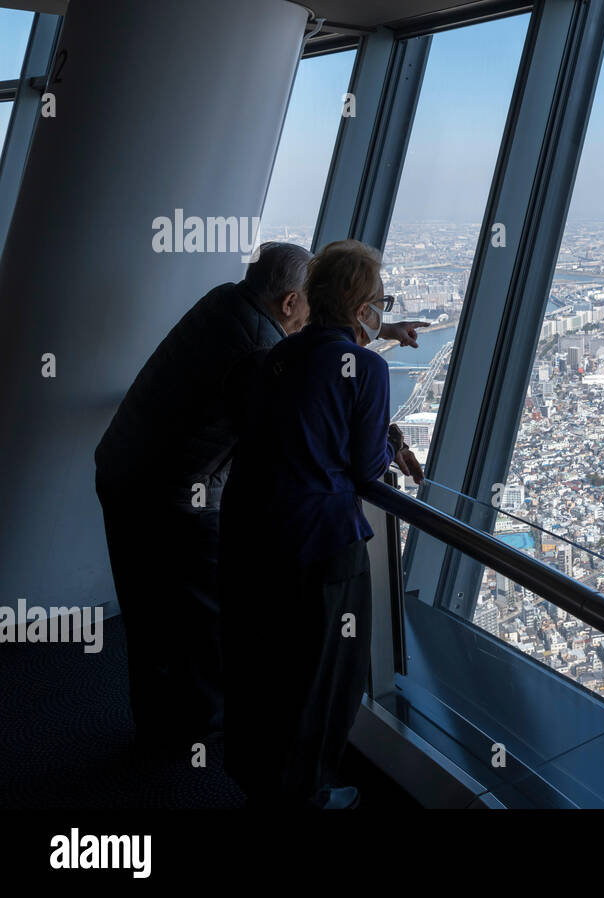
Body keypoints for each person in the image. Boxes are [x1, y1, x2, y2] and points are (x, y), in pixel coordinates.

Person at [94, 241, 428, 753]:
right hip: (177, 493)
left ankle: (161, 728)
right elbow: (316, 429)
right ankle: (203, 731)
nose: (309, 316)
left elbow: (317, 351)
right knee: (204, 616)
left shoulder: (227, 303)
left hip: (125, 466)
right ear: (291, 303)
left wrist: (379, 329)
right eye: (305, 306)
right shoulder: (259, 351)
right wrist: (389, 438)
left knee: (147, 612)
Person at [219, 240, 422, 809]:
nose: (381, 310)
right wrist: (389, 446)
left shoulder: (272, 355)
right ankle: (303, 794)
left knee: (264, 663)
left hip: (251, 531)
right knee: (323, 676)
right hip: (320, 545)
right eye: (378, 302)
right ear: (362, 308)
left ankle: (257, 778)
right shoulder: (370, 373)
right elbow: (364, 468)